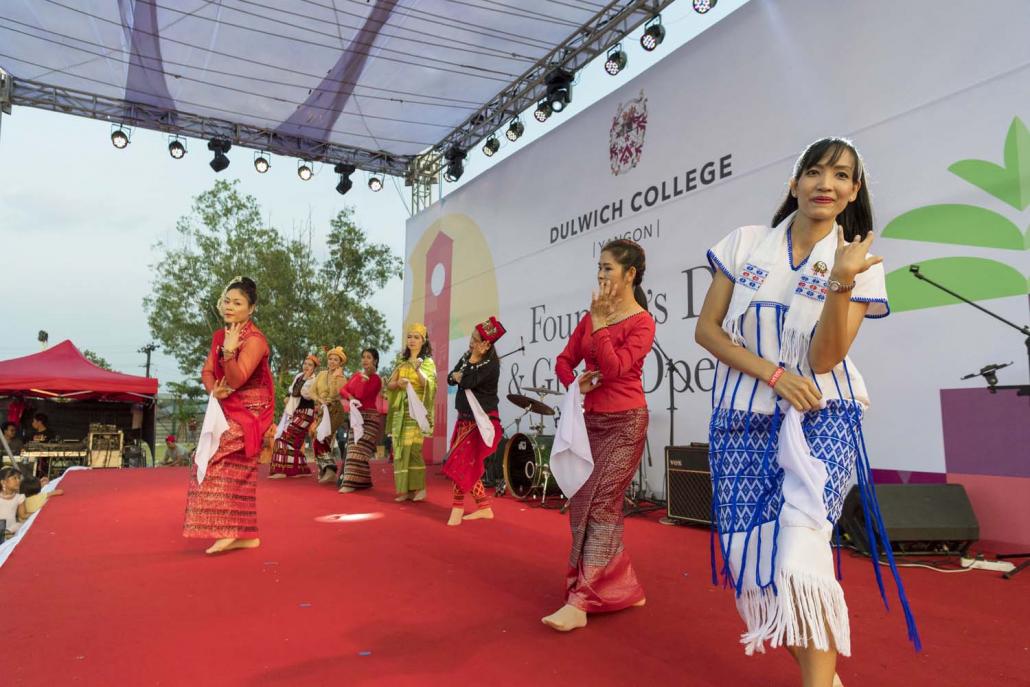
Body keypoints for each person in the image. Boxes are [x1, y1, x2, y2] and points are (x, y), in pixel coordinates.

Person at [695, 137, 918, 687]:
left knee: (800, 551)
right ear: (794, 183)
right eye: (815, 172)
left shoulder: (857, 263)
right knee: (759, 565)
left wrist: (841, 281)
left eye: (841, 176)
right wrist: (772, 374)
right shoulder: (746, 243)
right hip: (741, 418)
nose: (826, 183)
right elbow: (707, 331)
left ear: (853, 192)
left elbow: (824, 358)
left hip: (824, 414)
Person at [543, 239, 655, 632]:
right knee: (582, 503)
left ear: (630, 274)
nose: (602, 275)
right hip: (589, 422)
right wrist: (575, 381)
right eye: (599, 268)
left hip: (626, 422)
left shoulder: (642, 321)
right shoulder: (590, 317)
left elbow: (618, 368)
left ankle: (581, 601)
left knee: (604, 505)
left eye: (608, 268)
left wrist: (603, 324)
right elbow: (563, 360)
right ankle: (623, 587)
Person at [183, 276, 275, 555]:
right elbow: (208, 372)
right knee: (239, 470)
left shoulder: (256, 340)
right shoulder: (219, 336)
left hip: (252, 412)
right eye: (227, 301)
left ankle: (231, 530)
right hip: (226, 405)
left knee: (214, 459)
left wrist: (229, 353)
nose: (230, 307)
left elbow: (237, 377)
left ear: (251, 308)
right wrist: (215, 390)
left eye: (238, 303)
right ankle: (245, 534)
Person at [443, 317, 505, 527]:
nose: (471, 342)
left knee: (460, 464)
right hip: (464, 419)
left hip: (480, 422)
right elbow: (451, 378)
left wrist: (467, 367)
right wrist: (461, 372)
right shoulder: (468, 356)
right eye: (471, 337)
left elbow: (467, 380)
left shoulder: (491, 365)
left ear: (486, 344)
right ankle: (485, 508)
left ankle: (457, 508)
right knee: (466, 465)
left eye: (476, 339)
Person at [385, 323, 437, 502]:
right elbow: (390, 384)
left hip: (417, 411)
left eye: (416, 337)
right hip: (401, 411)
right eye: (409, 337)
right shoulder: (401, 362)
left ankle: (419, 488)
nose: (412, 340)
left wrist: (418, 371)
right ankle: (404, 490)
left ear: (423, 341)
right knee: (399, 449)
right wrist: (397, 384)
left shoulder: (427, 363)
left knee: (414, 449)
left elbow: (429, 385)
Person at [338, 348, 384, 492]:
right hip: (356, 417)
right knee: (352, 448)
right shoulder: (356, 375)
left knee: (358, 451)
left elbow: (361, 395)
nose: (365, 360)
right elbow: (343, 390)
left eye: (368, 357)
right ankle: (363, 482)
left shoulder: (376, 379)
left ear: (375, 361)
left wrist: (363, 381)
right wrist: (350, 397)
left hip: (369, 420)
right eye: (363, 357)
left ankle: (350, 484)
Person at [268, 355, 319, 479]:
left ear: (314, 368)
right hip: (295, 412)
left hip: (306, 413)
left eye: (310, 365)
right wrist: (287, 396)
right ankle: (300, 469)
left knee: (285, 438)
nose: (306, 366)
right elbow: (292, 391)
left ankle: (282, 470)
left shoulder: (313, 380)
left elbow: (298, 393)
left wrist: (305, 378)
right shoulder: (299, 376)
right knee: (294, 442)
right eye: (305, 363)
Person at [311, 347, 348, 484]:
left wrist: (334, 377)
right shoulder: (321, 374)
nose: (332, 361)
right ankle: (325, 469)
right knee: (317, 437)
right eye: (330, 359)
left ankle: (330, 469)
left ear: (340, 363)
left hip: (335, 411)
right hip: (322, 410)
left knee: (321, 439)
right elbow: (312, 391)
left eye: (336, 360)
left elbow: (334, 394)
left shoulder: (341, 378)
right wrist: (320, 400)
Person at [0, 466, 27, 539]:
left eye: (19, 478)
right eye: (14, 478)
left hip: (10, 532)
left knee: (20, 524)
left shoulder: (20, 497)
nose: (18, 481)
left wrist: (39, 512)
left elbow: (23, 515)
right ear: (3, 482)